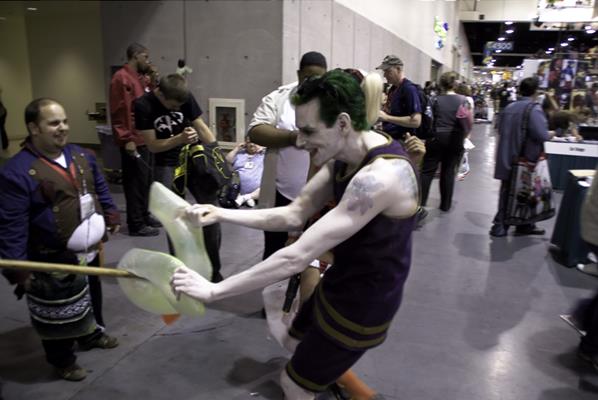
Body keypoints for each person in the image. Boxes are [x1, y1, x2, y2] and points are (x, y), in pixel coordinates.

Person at [172, 70, 419, 400]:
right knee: (293, 340)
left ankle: (332, 383)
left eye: (308, 131)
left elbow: (298, 255)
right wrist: (219, 213)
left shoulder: (379, 176)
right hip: (341, 281)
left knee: (293, 383)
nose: (299, 142)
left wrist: (215, 291)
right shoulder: (345, 156)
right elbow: (294, 213)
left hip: (365, 301)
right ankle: (339, 380)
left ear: (343, 123)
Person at [0, 98, 120, 381]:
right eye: (54, 123)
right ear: (34, 128)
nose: (63, 127)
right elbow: (11, 226)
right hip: (50, 256)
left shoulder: (81, 155)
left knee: (91, 296)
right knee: (55, 313)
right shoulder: (17, 171)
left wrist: (111, 213)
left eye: (64, 121)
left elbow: (99, 187)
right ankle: (62, 360)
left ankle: (91, 334)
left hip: (89, 250)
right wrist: (18, 270)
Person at [133, 73, 223, 282]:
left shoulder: (184, 96)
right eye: (173, 106)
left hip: (193, 156)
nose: (176, 109)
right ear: (161, 95)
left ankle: (213, 270)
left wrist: (217, 159)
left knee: (211, 210)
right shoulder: (143, 105)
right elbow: (153, 146)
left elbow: (202, 127)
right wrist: (179, 138)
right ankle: (179, 270)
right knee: (173, 217)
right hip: (167, 162)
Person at [248, 51, 327, 260]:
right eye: (308, 77)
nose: (312, 83)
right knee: (275, 253)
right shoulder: (280, 98)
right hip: (280, 194)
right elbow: (256, 131)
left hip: (319, 196)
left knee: (311, 256)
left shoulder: (332, 102)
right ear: (299, 74)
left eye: (318, 78)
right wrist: (294, 137)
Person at [490, 77, 553, 237]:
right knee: (527, 190)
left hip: (506, 154)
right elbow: (542, 134)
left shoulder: (509, 107)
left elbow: (499, 129)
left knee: (507, 190)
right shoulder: (534, 109)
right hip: (525, 157)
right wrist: (551, 133)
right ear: (535, 91)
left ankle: (502, 225)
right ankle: (520, 224)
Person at [109, 42, 160, 236]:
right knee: (135, 183)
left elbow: (150, 101)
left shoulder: (139, 79)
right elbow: (120, 111)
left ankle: (145, 215)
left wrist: (152, 81)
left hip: (145, 138)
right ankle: (136, 223)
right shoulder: (121, 78)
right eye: (145, 57)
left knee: (146, 181)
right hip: (133, 140)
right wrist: (126, 139)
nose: (148, 61)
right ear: (136, 56)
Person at [420, 72, 472, 211]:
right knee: (448, 171)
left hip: (435, 138)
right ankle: (445, 205)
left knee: (427, 171)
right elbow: (466, 122)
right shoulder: (463, 100)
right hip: (454, 139)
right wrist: (464, 135)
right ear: (454, 84)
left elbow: (428, 119)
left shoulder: (433, 99)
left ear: (441, 84)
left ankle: (421, 203)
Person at [376, 54, 422, 141]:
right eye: (384, 71)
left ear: (398, 69)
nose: (384, 75)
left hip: (402, 140)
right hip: (390, 138)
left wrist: (387, 118)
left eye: (388, 71)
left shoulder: (409, 89)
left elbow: (416, 121)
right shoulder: (393, 89)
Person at [225, 137, 265, 207]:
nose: (252, 144)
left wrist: (264, 147)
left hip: (257, 190)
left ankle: (246, 197)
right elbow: (227, 160)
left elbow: (276, 150)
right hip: (238, 189)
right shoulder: (240, 154)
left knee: (268, 188)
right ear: (245, 143)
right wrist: (237, 148)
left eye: (254, 142)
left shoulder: (263, 154)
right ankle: (247, 198)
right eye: (249, 142)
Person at [0, 86, 8, 150]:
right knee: (2, 128)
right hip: (2, 111)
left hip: (1, 112)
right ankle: (4, 144)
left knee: (1, 128)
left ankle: (4, 144)